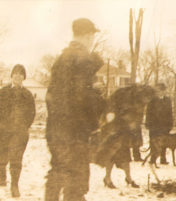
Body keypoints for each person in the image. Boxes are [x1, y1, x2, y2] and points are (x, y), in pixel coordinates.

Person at [45, 18, 104, 201]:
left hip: (56, 129)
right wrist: (95, 123)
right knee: (76, 181)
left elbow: (51, 96)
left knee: (57, 172)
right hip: (76, 132)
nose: (92, 39)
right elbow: (83, 99)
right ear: (87, 36)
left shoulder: (61, 59)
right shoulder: (83, 60)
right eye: (92, 35)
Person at [90, 84, 155, 188]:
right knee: (111, 154)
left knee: (125, 155)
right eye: (147, 99)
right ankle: (108, 178)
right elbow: (112, 110)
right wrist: (124, 122)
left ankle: (128, 178)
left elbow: (136, 118)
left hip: (124, 131)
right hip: (114, 130)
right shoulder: (125, 96)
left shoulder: (137, 99)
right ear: (143, 95)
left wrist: (133, 127)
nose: (147, 102)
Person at [0, 64, 36, 197]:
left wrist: (23, 127)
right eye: (15, 73)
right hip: (2, 131)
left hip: (19, 132)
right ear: (11, 76)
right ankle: (1, 175)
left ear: (24, 77)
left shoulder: (27, 95)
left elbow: (31, 113)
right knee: (2, 155)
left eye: (21, 74)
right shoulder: (3, 92)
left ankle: (14, 185)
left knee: (16, 159)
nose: (17, 76)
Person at [146, 83, 173, 165]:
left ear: (164, 91)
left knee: (164, 142)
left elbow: (170, 113)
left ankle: (163, 158)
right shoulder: (151, 100)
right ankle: (153, 159)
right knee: (153, 142)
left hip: (164, 125)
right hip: (154, 125)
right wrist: (148, 123)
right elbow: (148, 113)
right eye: (157, 91)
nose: (159, 92)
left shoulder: (168, 100)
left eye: (161, 90)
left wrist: (170, 124)